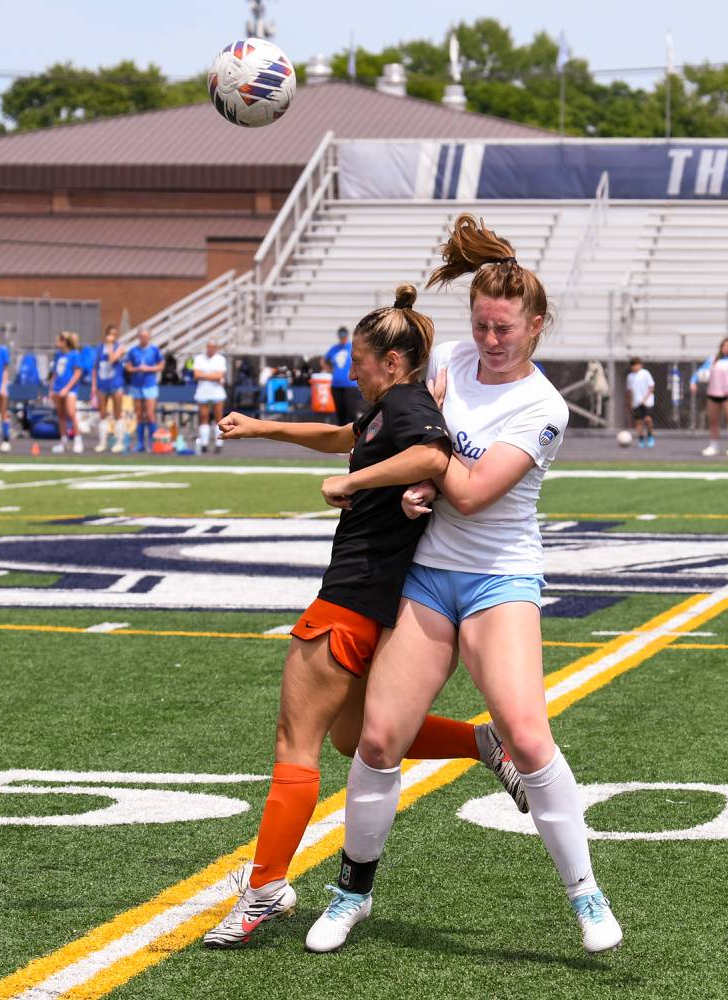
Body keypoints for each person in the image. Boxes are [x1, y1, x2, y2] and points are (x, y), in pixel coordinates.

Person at [306, 215, 622, 956]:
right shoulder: (446, 357)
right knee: (379, 739)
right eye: (481, 325)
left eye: (505, 327)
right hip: (428, 574)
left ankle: (586, 893)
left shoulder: (544, 407)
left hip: (499, 578)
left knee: (527, 734)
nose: (490, 340)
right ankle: (352, 892)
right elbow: (420, 457)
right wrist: (415, 489)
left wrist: (426, 468)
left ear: (536, 325)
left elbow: (475, 491)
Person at [202, 284, 527, 950]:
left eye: (359, 359)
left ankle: (265, 890)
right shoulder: (387, 411)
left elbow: (431, 456)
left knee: (297, 746)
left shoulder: (406, 404)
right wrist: (260, 428)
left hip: (349, 600)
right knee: (354, 740)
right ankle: (480, 744)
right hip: (373, 607)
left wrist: (349, 485)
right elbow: (343, 437)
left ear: (390, 359)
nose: (352, 370)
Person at [690, 337, 728, 457]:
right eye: (724, 346)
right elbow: (700, 372)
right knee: (713, 422)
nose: (726, 348)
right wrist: (693, 381)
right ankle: (714, 445)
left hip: (727, 395)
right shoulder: (712, 360)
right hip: (713, 394)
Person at [124, 328, 163, 452]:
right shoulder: (133, 351)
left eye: (146, 336)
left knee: (150, 415)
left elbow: (161, 365)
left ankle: (153, 443)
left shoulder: (154, 350)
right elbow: (128, 367)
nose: (143, 339)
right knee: (139, 415)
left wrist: (149, 369)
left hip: (150, 385)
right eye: (141, 336)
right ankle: (140, 443)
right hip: (136, 386)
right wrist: (137, 369)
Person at [92, 324, 126, 454]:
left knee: (118, 413)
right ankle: (102, 442)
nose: (112, 337)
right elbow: (96, 367)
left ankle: (119, 442)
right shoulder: (100, 348)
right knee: (102, 413)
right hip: (102, 383)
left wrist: (111, 346)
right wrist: (94, 385)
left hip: (115, 383)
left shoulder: (119, 347)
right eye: (110, 334)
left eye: (114, 334)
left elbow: (112, 359)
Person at [49, 332, 83, 454]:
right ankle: (63, 441)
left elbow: (77, 373)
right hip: (58, 389)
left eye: (59, 340)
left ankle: (78, 440)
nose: (57, 342)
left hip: (69, 390)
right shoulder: (58, 355)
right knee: (61, 415)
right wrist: (51, 389)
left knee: (71, 413)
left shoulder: (74, 355)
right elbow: (54, 373)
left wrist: (67, 388)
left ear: (64, 341)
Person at [323, 326, 363, 425]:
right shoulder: (334, 348)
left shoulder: (353, 347)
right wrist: (330, 370)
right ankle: (342, 438)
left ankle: (354, 437)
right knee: (340, 414)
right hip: (336, 384)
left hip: (350, 385)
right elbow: (324, 360)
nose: (342, 338)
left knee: (351, 413)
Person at [193, 340, 228, 454]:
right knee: (204, 417)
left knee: (219, 418)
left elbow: (220, 375)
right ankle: (204, 443)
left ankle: (219, 443)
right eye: (209, 346)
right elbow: (196, 375)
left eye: (213, 347)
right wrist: (212, 375)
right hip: (203, 391)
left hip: (216, 392)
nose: (210, 349)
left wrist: (205, 375)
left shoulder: (220, 359)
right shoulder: (199, 358)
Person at [626, 356, 655, 447]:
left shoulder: (645, 373)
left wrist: (645, 399)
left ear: (640, 365)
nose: (635, 367)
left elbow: (651, 387)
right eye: (633, 365)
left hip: (647, 402)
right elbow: (629, 391)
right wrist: (630, 403)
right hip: (636, 403)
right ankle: (641, 438)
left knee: (648, 419)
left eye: (637, 365)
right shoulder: (630, 377)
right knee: (638, 422)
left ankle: (650, 436)